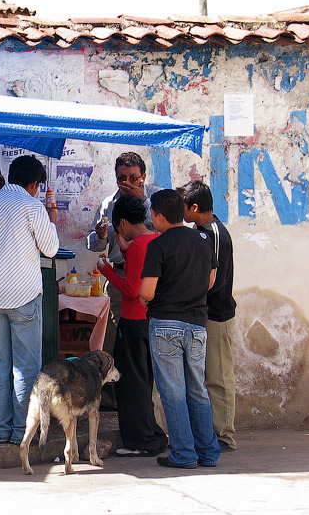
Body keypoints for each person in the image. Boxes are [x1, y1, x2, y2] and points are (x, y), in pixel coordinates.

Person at [0, 155, 59, 444]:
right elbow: (50, 249)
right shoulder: (32, 206)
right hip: (24, 296)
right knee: (25, 369)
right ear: (34, 184)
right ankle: (22, 432)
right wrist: (50, 223)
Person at [139, 189, 220, 469]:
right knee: (197, 390)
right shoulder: (202, 240)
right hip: (197, 326)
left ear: (160, 217)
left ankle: (184, 454)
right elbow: (210, 282)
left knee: (173, 393)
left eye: (152, 215)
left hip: (166, 326)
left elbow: (147, 292)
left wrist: (144, 296)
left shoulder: (158, 245)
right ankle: (208, 452)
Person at [86, 152, 160, 408]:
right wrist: (99, 236)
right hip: (120, 273)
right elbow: (95, 245)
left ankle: (145, 397)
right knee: (118, 337)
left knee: (148, 339)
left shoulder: (155, 199)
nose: (127, 183)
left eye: (133, 178)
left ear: (143, 177)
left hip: (153, 276)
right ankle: (113, 399)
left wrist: (145, 202)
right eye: (122, 178)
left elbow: (166, 231)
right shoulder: (109, 204)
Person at [97, 195, 168, 457]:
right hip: (149, 321)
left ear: (123, 222)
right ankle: (153, 435)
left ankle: (141, 441)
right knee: (144, 382)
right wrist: (127, 249)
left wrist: (107, 270)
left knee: (131, 386)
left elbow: (131, 289)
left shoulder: (140, 245)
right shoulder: (155, 240)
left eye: (118, 230)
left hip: (133, 320)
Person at [178, 180, 237, 453]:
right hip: (205, 314)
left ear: (195, 207)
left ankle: (223, 436)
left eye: (184, 206)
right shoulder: (201, 230)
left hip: (217, 315)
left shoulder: (213, 233)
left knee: (218, 377)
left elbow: (214, 280)